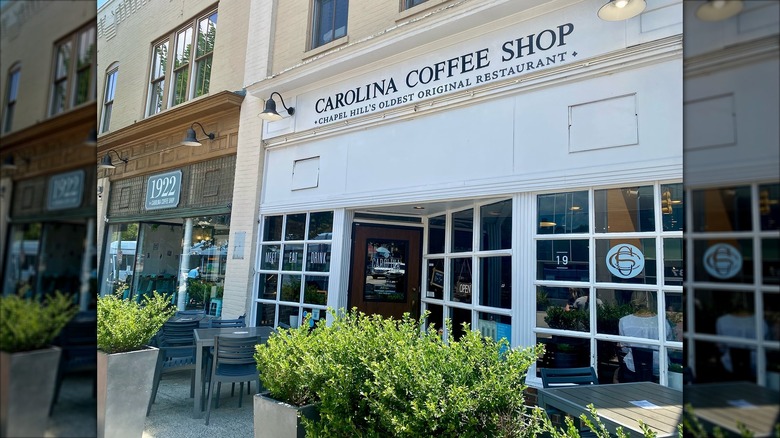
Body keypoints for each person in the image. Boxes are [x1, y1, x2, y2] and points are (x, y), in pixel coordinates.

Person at [616, 291, 675, 382]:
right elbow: (670, 349)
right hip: (659, 367)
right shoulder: (662, 321)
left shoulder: (624, 321)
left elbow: (625, 349)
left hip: (633, 367)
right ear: (652, 301)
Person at [715, 294, 770, 378]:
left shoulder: (722, 321)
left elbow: (721, 347)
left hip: (730, 364)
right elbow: (767, 346)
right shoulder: (760, 321)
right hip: (757, 365)